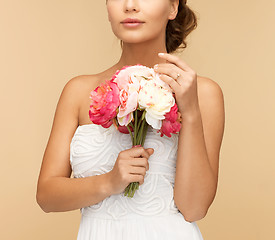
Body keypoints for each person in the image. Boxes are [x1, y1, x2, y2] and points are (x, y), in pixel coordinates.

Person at [36, 0, 225, 239]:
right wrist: (108, 182)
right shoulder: (78, 91)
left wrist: (191, 111)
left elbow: (195, 208)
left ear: (173, 8)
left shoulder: (203, 93)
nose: (130, 5)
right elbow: (46, 197)